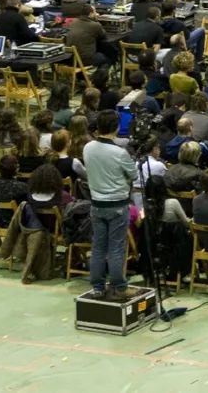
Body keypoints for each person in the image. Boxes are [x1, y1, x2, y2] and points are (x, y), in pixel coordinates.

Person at [83, 110, 138, 300]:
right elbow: (134, 175)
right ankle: (119, 287)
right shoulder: (119, 153)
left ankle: (98, 287)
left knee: (98, 246)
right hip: (117, 204)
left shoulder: (88, 147)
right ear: (116, 128)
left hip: (97, 204)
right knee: (115, 248)